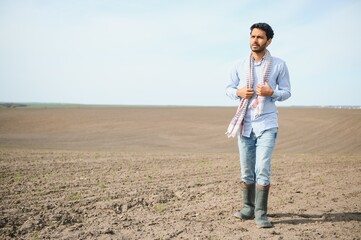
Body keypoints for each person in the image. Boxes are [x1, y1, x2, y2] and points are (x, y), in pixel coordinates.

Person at [225, 23, 291, 228]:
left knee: (262, 169)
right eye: (253, 36)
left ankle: (261, 213)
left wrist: (271, 93)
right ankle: (248, 208)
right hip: (245, 124)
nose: (255, 40)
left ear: (268, 41)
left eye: (260, 37)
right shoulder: (239, 65)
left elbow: (287, 92)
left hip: (267, 124)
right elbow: (228, 88)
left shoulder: (279, 65)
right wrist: (238, 92)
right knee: (246, 171)